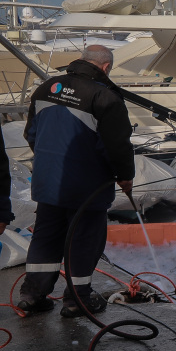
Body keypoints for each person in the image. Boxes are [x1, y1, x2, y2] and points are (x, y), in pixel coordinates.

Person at [16, 45, 135, 317]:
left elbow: (31, 133)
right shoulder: (104, 97)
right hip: (87, 187)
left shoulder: (47, 87)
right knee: (83, 241)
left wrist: (50, 162)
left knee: (46, 237)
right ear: (105, 67)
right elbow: (117, 145)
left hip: (47, 182)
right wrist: (125, 176)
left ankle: (32, 296)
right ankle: (76, 300)